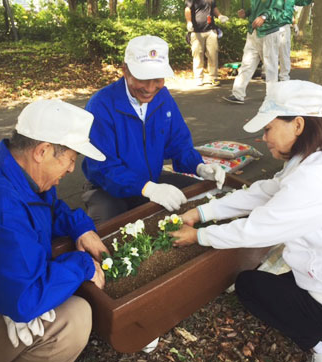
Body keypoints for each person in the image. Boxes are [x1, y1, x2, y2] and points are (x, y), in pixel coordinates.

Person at [172, 80, 322, 362]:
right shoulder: (312, 164)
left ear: (298, 125)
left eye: (268, 128)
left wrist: (199, 235)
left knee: (250, 287)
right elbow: (263, 192)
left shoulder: (314, 182)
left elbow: (256, 229)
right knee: (268, 281)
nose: (263, 138)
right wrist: (201, 211)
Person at [0, 99, 109, 362]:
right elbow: (24, 301)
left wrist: (80, 227)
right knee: (74, 320)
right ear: (42, 151)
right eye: (70, 157)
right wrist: (82, 264)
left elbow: (46, 205)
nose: (71, 169)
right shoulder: (2, 206)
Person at [82, 35, 226, 225]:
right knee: (107, 232)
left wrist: (199, 167)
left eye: (157, 79)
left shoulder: (163, 98)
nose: (150, 88)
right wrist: (147, 189)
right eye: (143, 78)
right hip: (107, 189)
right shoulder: (101, 105)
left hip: (152, 179)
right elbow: (103, 168)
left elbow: (179, 143)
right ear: (125, 70)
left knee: (208, 197)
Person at [223, 0, 289, 104]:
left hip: (269, 31)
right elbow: (256, 9)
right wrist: (247, 13)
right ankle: (237, 94)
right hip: (254, 31)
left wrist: (264, 17)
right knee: (247, 63)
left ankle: (272, 97)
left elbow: (279, 9)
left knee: (270, 66)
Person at [185, 0, 229, 86]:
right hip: (196, 31)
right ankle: (198, 78)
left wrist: (219, 16)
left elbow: (214, 8)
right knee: (197, 54)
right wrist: (189, 22)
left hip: (211, 30)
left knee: (213, 54)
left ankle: (213, 77)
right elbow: (187, 9)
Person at [278, 0, 312, 82]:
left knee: (284, 52)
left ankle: (284, 77)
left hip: (284, 26)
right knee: (271, 52)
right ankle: (270, 74)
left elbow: (301, 3)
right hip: (273, 26)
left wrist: (294, 24)